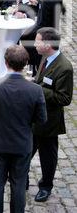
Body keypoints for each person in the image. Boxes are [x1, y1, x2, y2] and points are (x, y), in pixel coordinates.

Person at [0, 45, 47, 213]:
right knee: (18, 185)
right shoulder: (35, 90)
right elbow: (41, 119)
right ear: (25, 64)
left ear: (5, 62)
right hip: (21, 144)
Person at [31, 27, 73, 202]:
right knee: (26, 150)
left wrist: (38, 89)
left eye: (38, 40)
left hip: (49, 122)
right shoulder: (44, 57)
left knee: (48, 157)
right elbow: (41, 80)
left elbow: (64, 98)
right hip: (34, 118)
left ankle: (46, 186)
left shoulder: (65, 68)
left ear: (47, 45)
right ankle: (21, 178)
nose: (34, 44)